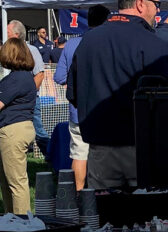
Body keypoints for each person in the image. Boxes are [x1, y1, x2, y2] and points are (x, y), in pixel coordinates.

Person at [68, 0, 168, 189]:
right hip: (141, 149)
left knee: (104, 213)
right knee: (145, 214)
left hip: (100, 150)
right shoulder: (154, 44)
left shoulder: (88, 41)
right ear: (141, 4)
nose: (158, 9)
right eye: (156, 3)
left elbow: (74, 94)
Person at [55, 5, 108, 191]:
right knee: (103, 155)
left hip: (78, 109)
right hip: (103, 108)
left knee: (79, 154)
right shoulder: (107, 43)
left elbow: (60, 77)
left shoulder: (71, 44)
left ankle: (78, 195)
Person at [0, 38, 37, 214]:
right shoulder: (24, 77)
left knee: (16, 181)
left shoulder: (15, 79)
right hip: (17, 129)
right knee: (4, 178)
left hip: (13, 131)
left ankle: (22, 222)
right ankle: (10, 216)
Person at [7, 21, 48, 153]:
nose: (5, 35)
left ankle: (52, 158)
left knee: (38, 131)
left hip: (30, 100)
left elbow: (40, 75)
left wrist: (28, 95)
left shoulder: (31, 50)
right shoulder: (11, 50)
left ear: (16, 35)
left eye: (7, 33)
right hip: (15, 100)